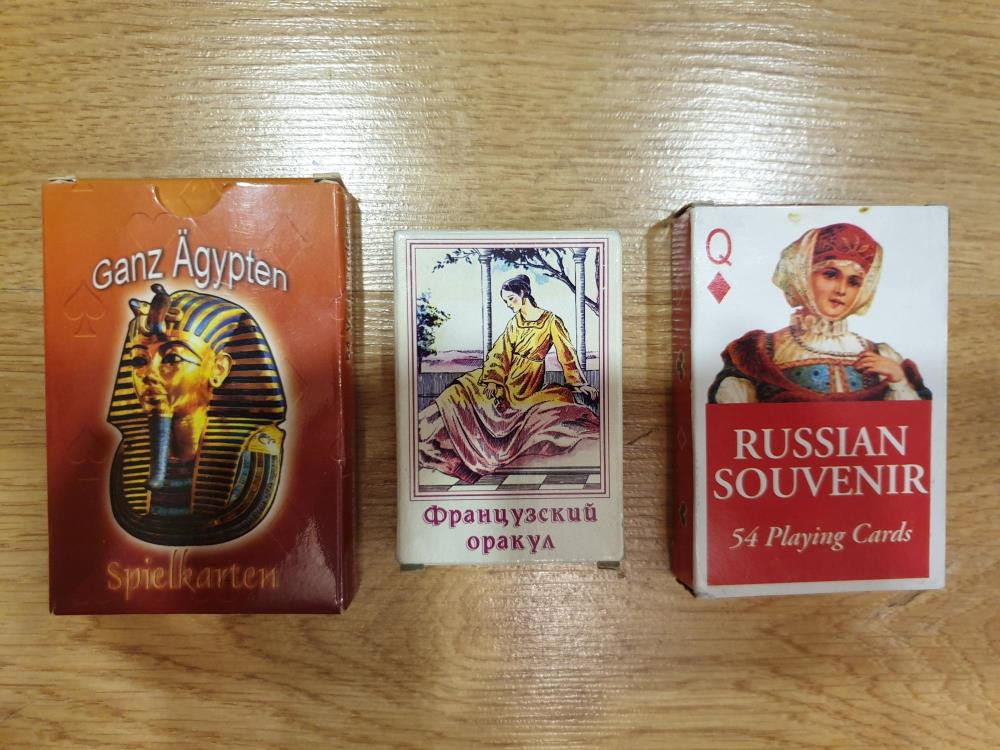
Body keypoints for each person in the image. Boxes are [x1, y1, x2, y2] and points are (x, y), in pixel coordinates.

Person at [108, 284, 286, 545]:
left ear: (219, 370)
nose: (149, 375)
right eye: (139, 361)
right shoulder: (128, 452)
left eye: (172, 359)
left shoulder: (259, 451)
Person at [708, 223, 931, 403]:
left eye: (854, 282)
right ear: (803, 275)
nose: (841, 290)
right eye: (831, 274)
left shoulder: (881, 355)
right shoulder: (760, 352)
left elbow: (911, 425)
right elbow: (733, 425)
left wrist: (898, 380)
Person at [419, 274, 600, 482]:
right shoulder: (515, 323)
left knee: (503, 412)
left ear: (523, 294)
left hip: (526, 383)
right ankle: (425, 437)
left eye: (511, 299)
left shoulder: (551, 321)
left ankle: (463, 454)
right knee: (461, 390)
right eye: (505, 301)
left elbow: (566, 353)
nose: (508, 304)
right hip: (503, 378)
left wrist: (578, 383)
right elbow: (500, 352)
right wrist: (493, 380)